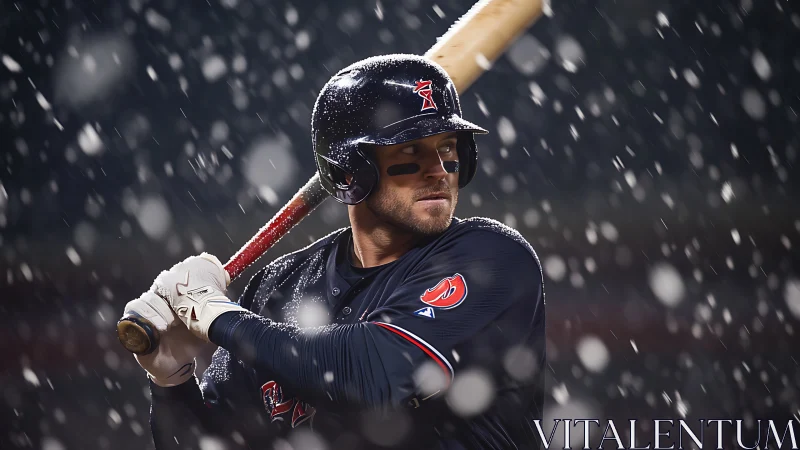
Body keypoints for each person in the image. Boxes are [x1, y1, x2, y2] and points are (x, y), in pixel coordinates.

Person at [123, 54, 546, 449]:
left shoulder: (492, 259)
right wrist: (172, 383)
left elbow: (376, 375)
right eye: (410, 151)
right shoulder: (278, 289)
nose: (438, 169)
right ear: (350, 171)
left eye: (448, 147)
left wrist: (216, 315)